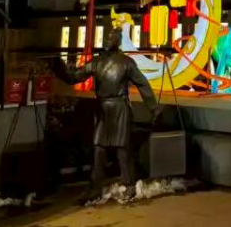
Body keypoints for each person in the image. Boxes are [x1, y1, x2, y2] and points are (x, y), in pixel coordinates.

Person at [52, 27, 160, 199]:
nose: (108, 40)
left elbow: (142, 84)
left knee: (122, 148)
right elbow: (75, 76)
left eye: (112, 38)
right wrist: (58, 67)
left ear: (118, 42)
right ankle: (95, 186)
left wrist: (153, 106)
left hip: (119, 108)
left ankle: (129, 184)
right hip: (104, 108)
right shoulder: (98, 62)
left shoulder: (126, 62)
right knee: (99, 148)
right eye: (108, 37)